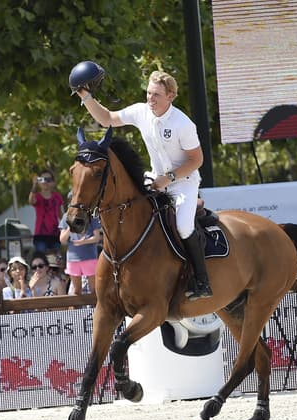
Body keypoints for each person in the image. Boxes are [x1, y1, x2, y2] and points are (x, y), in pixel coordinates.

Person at [76, 69, 212, 299]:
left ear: (171, 96)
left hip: (183, 183)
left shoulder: (183, 123)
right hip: (155, 177)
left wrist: (167, 179)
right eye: (149, 93)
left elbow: (197, 160)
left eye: (157, 94)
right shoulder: (141, 111)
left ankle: (201, 281)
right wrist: (85, 97)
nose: (150, 98)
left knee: (184, 227)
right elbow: (107, 118)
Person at [60, 211, 101, 295]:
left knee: (94, 290)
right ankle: (77, 308)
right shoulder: (66, 216)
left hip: (89, 257)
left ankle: (94, 308)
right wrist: (70, 226)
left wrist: (83, 242)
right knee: (76, 290)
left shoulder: (91, 216)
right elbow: (62, 240)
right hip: (72, 258)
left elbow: (97, 238)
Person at [28, 169, 65, 254]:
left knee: (57, 261)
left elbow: (61, 215)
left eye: (48, 180)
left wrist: (66, 228)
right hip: (40, 235)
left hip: (55, 234)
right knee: (42, 259)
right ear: (39, 181)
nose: (45, 182)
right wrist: (34, 184)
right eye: (42, 179)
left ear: (53, 182)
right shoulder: (37, 196)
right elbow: (31, 201)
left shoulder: (57, 196)